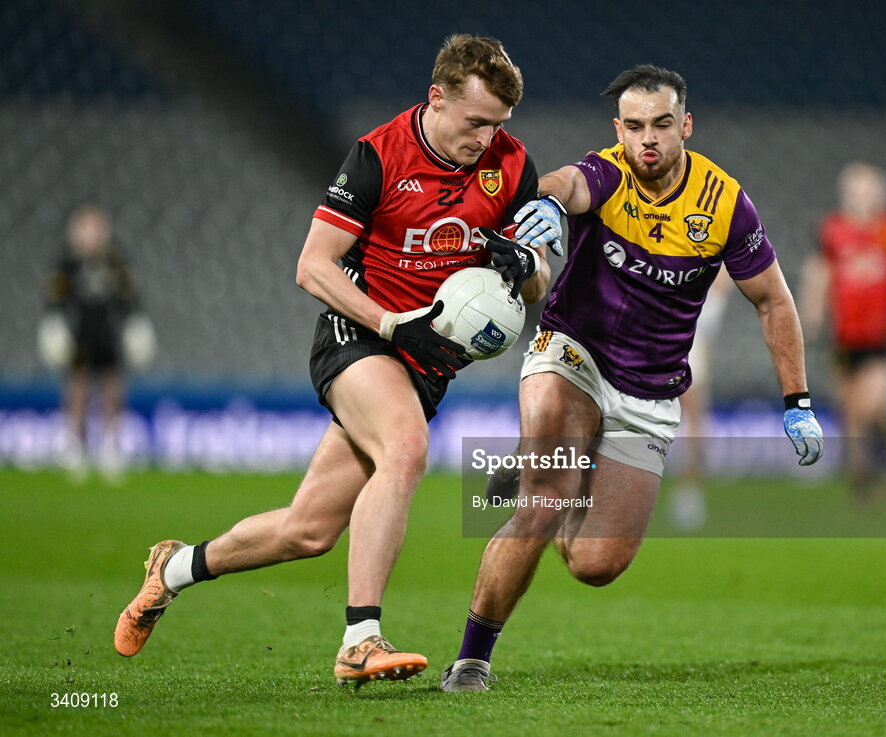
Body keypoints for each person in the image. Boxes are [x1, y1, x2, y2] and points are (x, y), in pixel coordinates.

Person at [113, 35, 553, 687]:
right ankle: (360, 639)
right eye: (476, 122)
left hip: (427, 363)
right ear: (437, 99)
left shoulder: (512, 166)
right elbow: (311, 265)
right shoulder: (379, 156)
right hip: (361, 333)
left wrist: (529, 268)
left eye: (499, 125)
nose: (487, 138)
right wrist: (391, 323)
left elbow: (537, 283)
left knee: (307, 529)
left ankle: (173, 568)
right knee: (406, 448)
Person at [440, 64, 824, 692]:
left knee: (596, 564)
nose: (648, 139)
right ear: (619, 129)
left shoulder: (724, 203)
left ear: (686, 126)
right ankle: (472, 660)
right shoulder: (608, 171)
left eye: (662, 125)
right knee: (542, 502)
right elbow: (567, 182)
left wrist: (797, 400)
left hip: (649, 389)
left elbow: (774, 302)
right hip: (572, 353)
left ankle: (559, 472)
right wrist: (545, 199)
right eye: (636, 126)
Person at [800, 162, 886, 502]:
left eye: (866, 190)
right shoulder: (833, 231)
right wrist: (812, 315)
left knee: (875, 403)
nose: (860, 197)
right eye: (854, 190)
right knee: (849, 407)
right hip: (843, 334)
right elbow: (819, 272)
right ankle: (861, 477)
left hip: (881, 334)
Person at [40, 204, 153, 481]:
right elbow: (55, 298)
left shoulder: (115, 261)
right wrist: (54, 325)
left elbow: (129, 296)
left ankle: (111, 445)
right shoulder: (68, 264)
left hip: (108, 333)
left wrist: (136, 323)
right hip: (80, 332)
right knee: (77, 387)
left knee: (112, 387)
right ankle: (74, 444)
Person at [670, 270, 731, 530]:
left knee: (693, 415)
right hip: (685, 317)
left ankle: (690, 491)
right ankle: (690, 491)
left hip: (686, 321)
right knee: (694, 415)